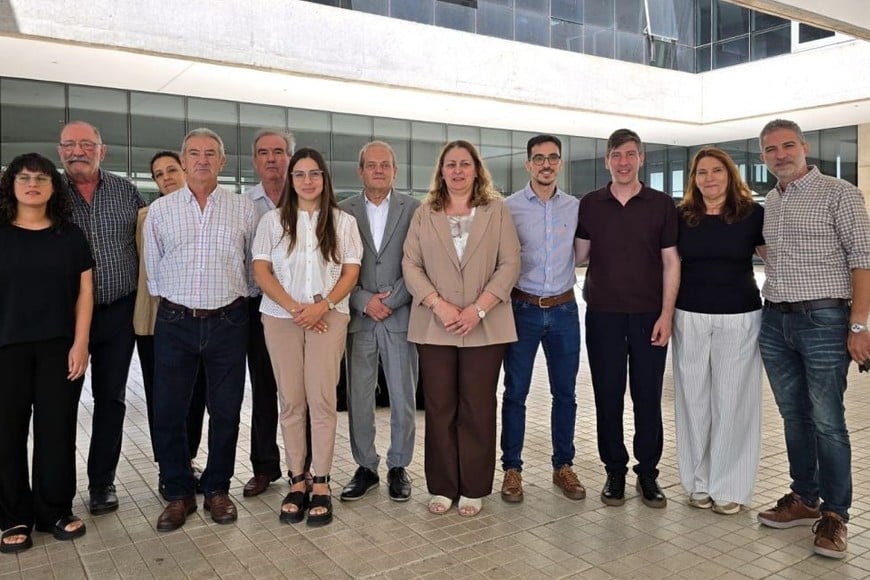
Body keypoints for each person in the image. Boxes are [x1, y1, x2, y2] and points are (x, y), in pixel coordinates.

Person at [755, 119, 870, 559]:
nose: (780, 154)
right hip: (775, 321)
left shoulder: (838, 193)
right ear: (764, 157)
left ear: (804, 146)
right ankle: (804, 496)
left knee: (827, 419)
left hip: (824, 318)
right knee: (792, 415)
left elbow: (863, 258)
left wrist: (858, 324)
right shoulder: (772, 200)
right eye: (771, 149)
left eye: (787, 146)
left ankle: (836, 515)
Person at [144, 128, 258, 531]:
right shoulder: (161, 210)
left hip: (229, 321)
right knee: (169, 410)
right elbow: (153, 268)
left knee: (225, 410)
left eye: (211, 153)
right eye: (194, 153)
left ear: (223, 162)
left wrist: (235, 299)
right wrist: (175, 303)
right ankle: (178, 494)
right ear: (183, 158)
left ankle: (217, 489)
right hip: (176, 321)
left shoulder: (244, 209)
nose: (202, 160)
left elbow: (252, 267)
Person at [402, 140, 520, 517]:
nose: (457, 171)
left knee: (478, 405)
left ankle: (473, 486)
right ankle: (442, 485)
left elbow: (510, 263)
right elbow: (410, 265)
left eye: (464, 164)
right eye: (450, 164)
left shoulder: (496, 211)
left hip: (485, 326)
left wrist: (478, 310)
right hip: (435, 325)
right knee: (438, 407)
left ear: (476, 170)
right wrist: (438, 304)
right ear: (441, 171)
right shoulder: (425, 214)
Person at [252, 148, 362, 527]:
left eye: (314, 173)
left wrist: (323, 306)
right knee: (292, 401)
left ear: (324, 178)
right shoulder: (271, 221)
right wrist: (297, 308)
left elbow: (350, 272)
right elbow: (262, 271)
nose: (307, 180)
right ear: (291, 180)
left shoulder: (343, 222)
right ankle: (297, 479)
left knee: (322, 400)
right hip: (281, 318)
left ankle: (322, 482)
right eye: (300, 174)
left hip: (328, 318)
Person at [575, 128, 680, 509]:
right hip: (603, 315)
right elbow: (577, 255)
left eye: (630, 154)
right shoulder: (590, 204)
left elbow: (671, 261)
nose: (623, 161)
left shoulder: (661, 204)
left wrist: (667, 315)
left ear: (641, 159)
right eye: (616, 154)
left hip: (650, 315)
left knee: (648, 396)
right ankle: (614, 470)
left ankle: (648, 472)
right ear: (607, 160)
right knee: (607, 395)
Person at [0, 153, 93, 553]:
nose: (32, 184)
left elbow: (85, 292)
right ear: (12, 185)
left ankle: (54, 510)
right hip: (6, 348)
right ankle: (11, 516)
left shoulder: (69, 235)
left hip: (60, 347)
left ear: (54, 187)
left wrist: (81, 343)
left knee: (57, 431)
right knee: (7, 435)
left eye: (41, 178)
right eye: (24, 177)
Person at [672, 147, 765, 515]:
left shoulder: (753, 214)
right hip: (689, 315)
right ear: (693, 179)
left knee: (733, 401)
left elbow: (777, 257)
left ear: (730, 175)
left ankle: (730, 486)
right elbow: (669, 264)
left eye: (717, 171)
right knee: (692, 399)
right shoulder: (683, 217)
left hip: (739, 316)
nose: (709, 178)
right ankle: (697, 482)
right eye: (701, 172)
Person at [58, 121, 145, 516]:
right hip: (62, 318)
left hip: (116, 312)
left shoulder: (126, 190)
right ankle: (57, 487)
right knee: (60, 402)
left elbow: (145, 243)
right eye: (70, 145)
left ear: (101, 150)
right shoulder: (47, 194)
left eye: (86, 144)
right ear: (60, 151)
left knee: (111, 399)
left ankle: (101, 483)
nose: (78, 151)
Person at [500, 134, 584, 503]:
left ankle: (563, 465)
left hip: (565, 310)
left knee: (565, 393)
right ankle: (512, 469)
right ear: (527, 164)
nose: (546, 164)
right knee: (515, 392)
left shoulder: (576, 207)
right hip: (522, 310)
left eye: (553, 157)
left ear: (560, 163)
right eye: (539, 158)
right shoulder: (508, 208)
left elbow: (583, 255)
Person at [339, 141, 421, 503]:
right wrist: (362, 301)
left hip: (400, 315)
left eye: (384, 165)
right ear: (360, 171)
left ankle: (399, 465)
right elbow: (335, 265)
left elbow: (420, 259)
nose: (378, 170)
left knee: (403, 395)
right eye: (370, 165)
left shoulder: (414, 209)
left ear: (395, 170)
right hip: (360, 317)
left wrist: (396, 298)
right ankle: (366, 466)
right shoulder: (342, 212)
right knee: (359, 395)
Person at [134, 151, 207, 491]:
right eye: (158, 173)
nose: (166, 177)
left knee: (198, 395)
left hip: (203, 319)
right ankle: (169, 466)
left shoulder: (206, 212)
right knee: (163, 398)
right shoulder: (146, 217)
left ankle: (188, 458)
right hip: (155, 320)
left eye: (171, 170)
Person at [242, 128, 293, 498]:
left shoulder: (308, 198)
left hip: (304, 311)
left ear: (290, 157)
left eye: (279, 151)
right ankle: (263, 467)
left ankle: (303, 466)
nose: (272, 158)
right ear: (255, 160)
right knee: (263, 390)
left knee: (299, 392)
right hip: (256, 307)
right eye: (264, 152)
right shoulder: (244, 205)